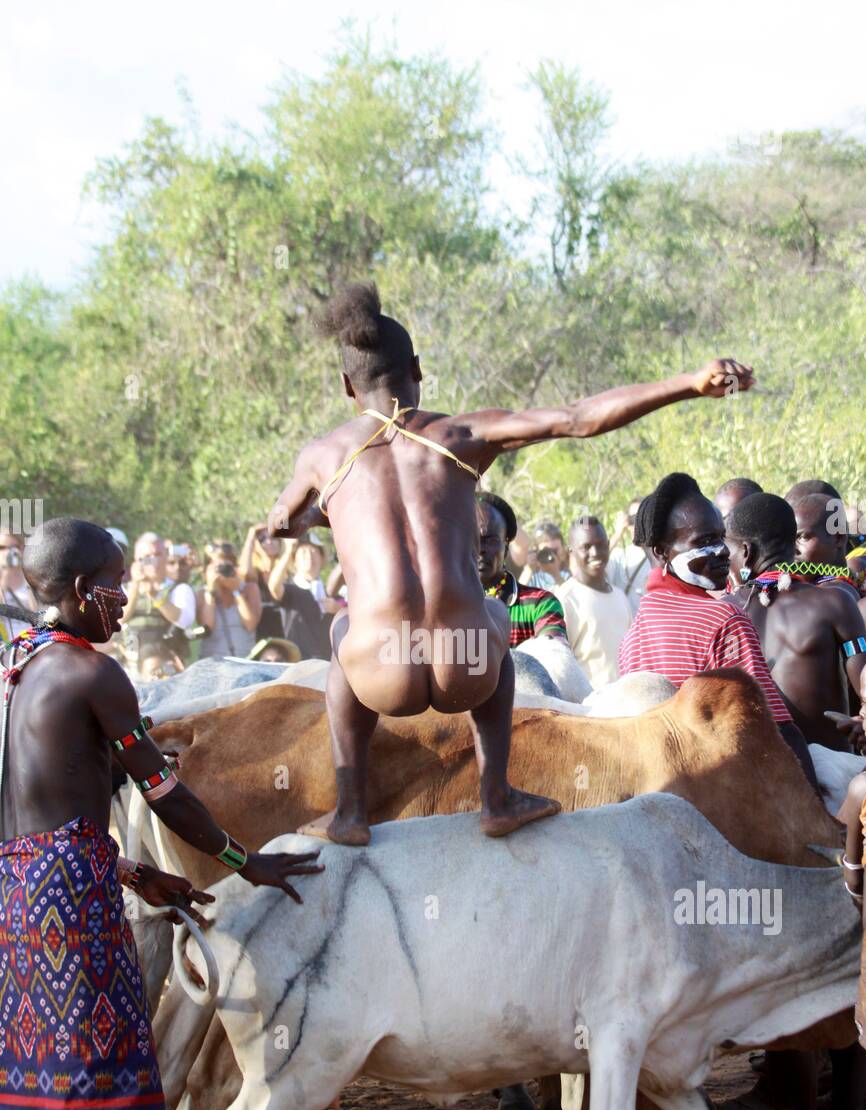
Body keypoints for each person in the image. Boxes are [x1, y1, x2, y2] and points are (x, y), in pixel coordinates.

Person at [268, 279, 755, 845]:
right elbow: (578, 418)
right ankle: (495, 797)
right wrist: (688, 383)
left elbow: (280, 522)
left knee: (342, 629)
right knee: (495, 615)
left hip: (383, 674)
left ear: (347, 386)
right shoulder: (460, 434)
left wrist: (320, 517)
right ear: (417, 369)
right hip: (467, 667)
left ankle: (350, 812)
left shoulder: (323, 454)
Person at [0, 519, 322, 1110]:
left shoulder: (21, 663)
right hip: (74, 911)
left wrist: (130, 868)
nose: (126, 602)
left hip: (20, 896)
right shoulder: (96, 675)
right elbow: (166, 793)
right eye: (117, 585)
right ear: (82, 592)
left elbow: (38, 810)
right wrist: (246, 861)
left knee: (18, 1106)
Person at [724, 492, 866, 1110]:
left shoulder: (730, 606)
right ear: (799, 542)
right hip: (834, 791)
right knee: (852, 968)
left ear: (745, 548)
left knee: (783, 979)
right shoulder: (838, 603)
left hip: (754, 804)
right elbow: (865, 681)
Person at [618, 472, 815, 781]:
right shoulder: (723, 619)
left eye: (721, 537)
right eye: (704, 541)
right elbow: (775, 731)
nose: (722, 550)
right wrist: (816, 819)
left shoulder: (632, 637)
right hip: (721, 798)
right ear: (661, 552)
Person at [725, 493, 866, 750]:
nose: (725, 558)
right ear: (793, 542)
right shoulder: (834, 603)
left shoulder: (722, 612)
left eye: (728, 549)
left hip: (760, 777)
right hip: (833, 773)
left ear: (745, 551)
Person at [476, 493, 568, 647]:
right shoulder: (442, 605)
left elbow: (555, 657)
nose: (480, 549)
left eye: (490, 541)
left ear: (505, 550)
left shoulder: (540, 605)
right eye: (470, 539)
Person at [556, 516, 632, 688]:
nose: (595, 553)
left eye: (600, 545)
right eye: (586, 547)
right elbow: (559, 667)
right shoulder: (565, 599)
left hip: (627, 706)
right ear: (571, 552)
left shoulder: (620, 597)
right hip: (587, 710)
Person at [123, 533, 196, 666]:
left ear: (165, 557)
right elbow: (118, 619)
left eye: (157, 555)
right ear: (136, 560)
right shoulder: (125, 589)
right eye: (146, 557)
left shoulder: (179, 589)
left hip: (168, 664)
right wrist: (135, 586)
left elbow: (184, 620)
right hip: (131, 665)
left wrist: (155, 594)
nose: (153, 561)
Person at [266, 539, 333, 660]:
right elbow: (273, 585)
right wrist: (288, 552)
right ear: (294, 562)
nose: (309, 557)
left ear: (322, 559)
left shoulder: (331, 593)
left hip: (328, 663)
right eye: (303, 553)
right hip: (299, 663)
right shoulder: (289, 591)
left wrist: (338, 609)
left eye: (314, 552)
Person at [198, 540, 262, 658]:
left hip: (243, 660)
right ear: (208, 569)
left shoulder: (249, 588)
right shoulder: (202, 594)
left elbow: (250, 624)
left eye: (227, 566)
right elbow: (207, 628)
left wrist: (236, 591)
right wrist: (211, 591)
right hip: (212, 664)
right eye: (218, 567)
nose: (223, 571)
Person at [607, 498, 654, 614]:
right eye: (633, 518)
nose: (637, 524)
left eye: (641, 517)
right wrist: (617, 534)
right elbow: (596, 560)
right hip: (625, 629)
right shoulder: (618, 556)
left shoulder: (659, 556)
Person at [0, 533, 36, 643]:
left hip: (32, 639)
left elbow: (37, 611)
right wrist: (6, 574)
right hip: (5, 643)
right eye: (2, 547)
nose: (9, 552)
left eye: (14, 546)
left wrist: (25, 572)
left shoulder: (31, 574)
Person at [521, 521, 570, 591]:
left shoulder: (571, 571)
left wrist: (556, 575)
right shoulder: (533, 575)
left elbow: (574, 599)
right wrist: (528, 570)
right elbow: (516, 598)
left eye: (555, 551)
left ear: (563, 548)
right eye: (546, 552)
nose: (552, 556)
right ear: (536, 552)